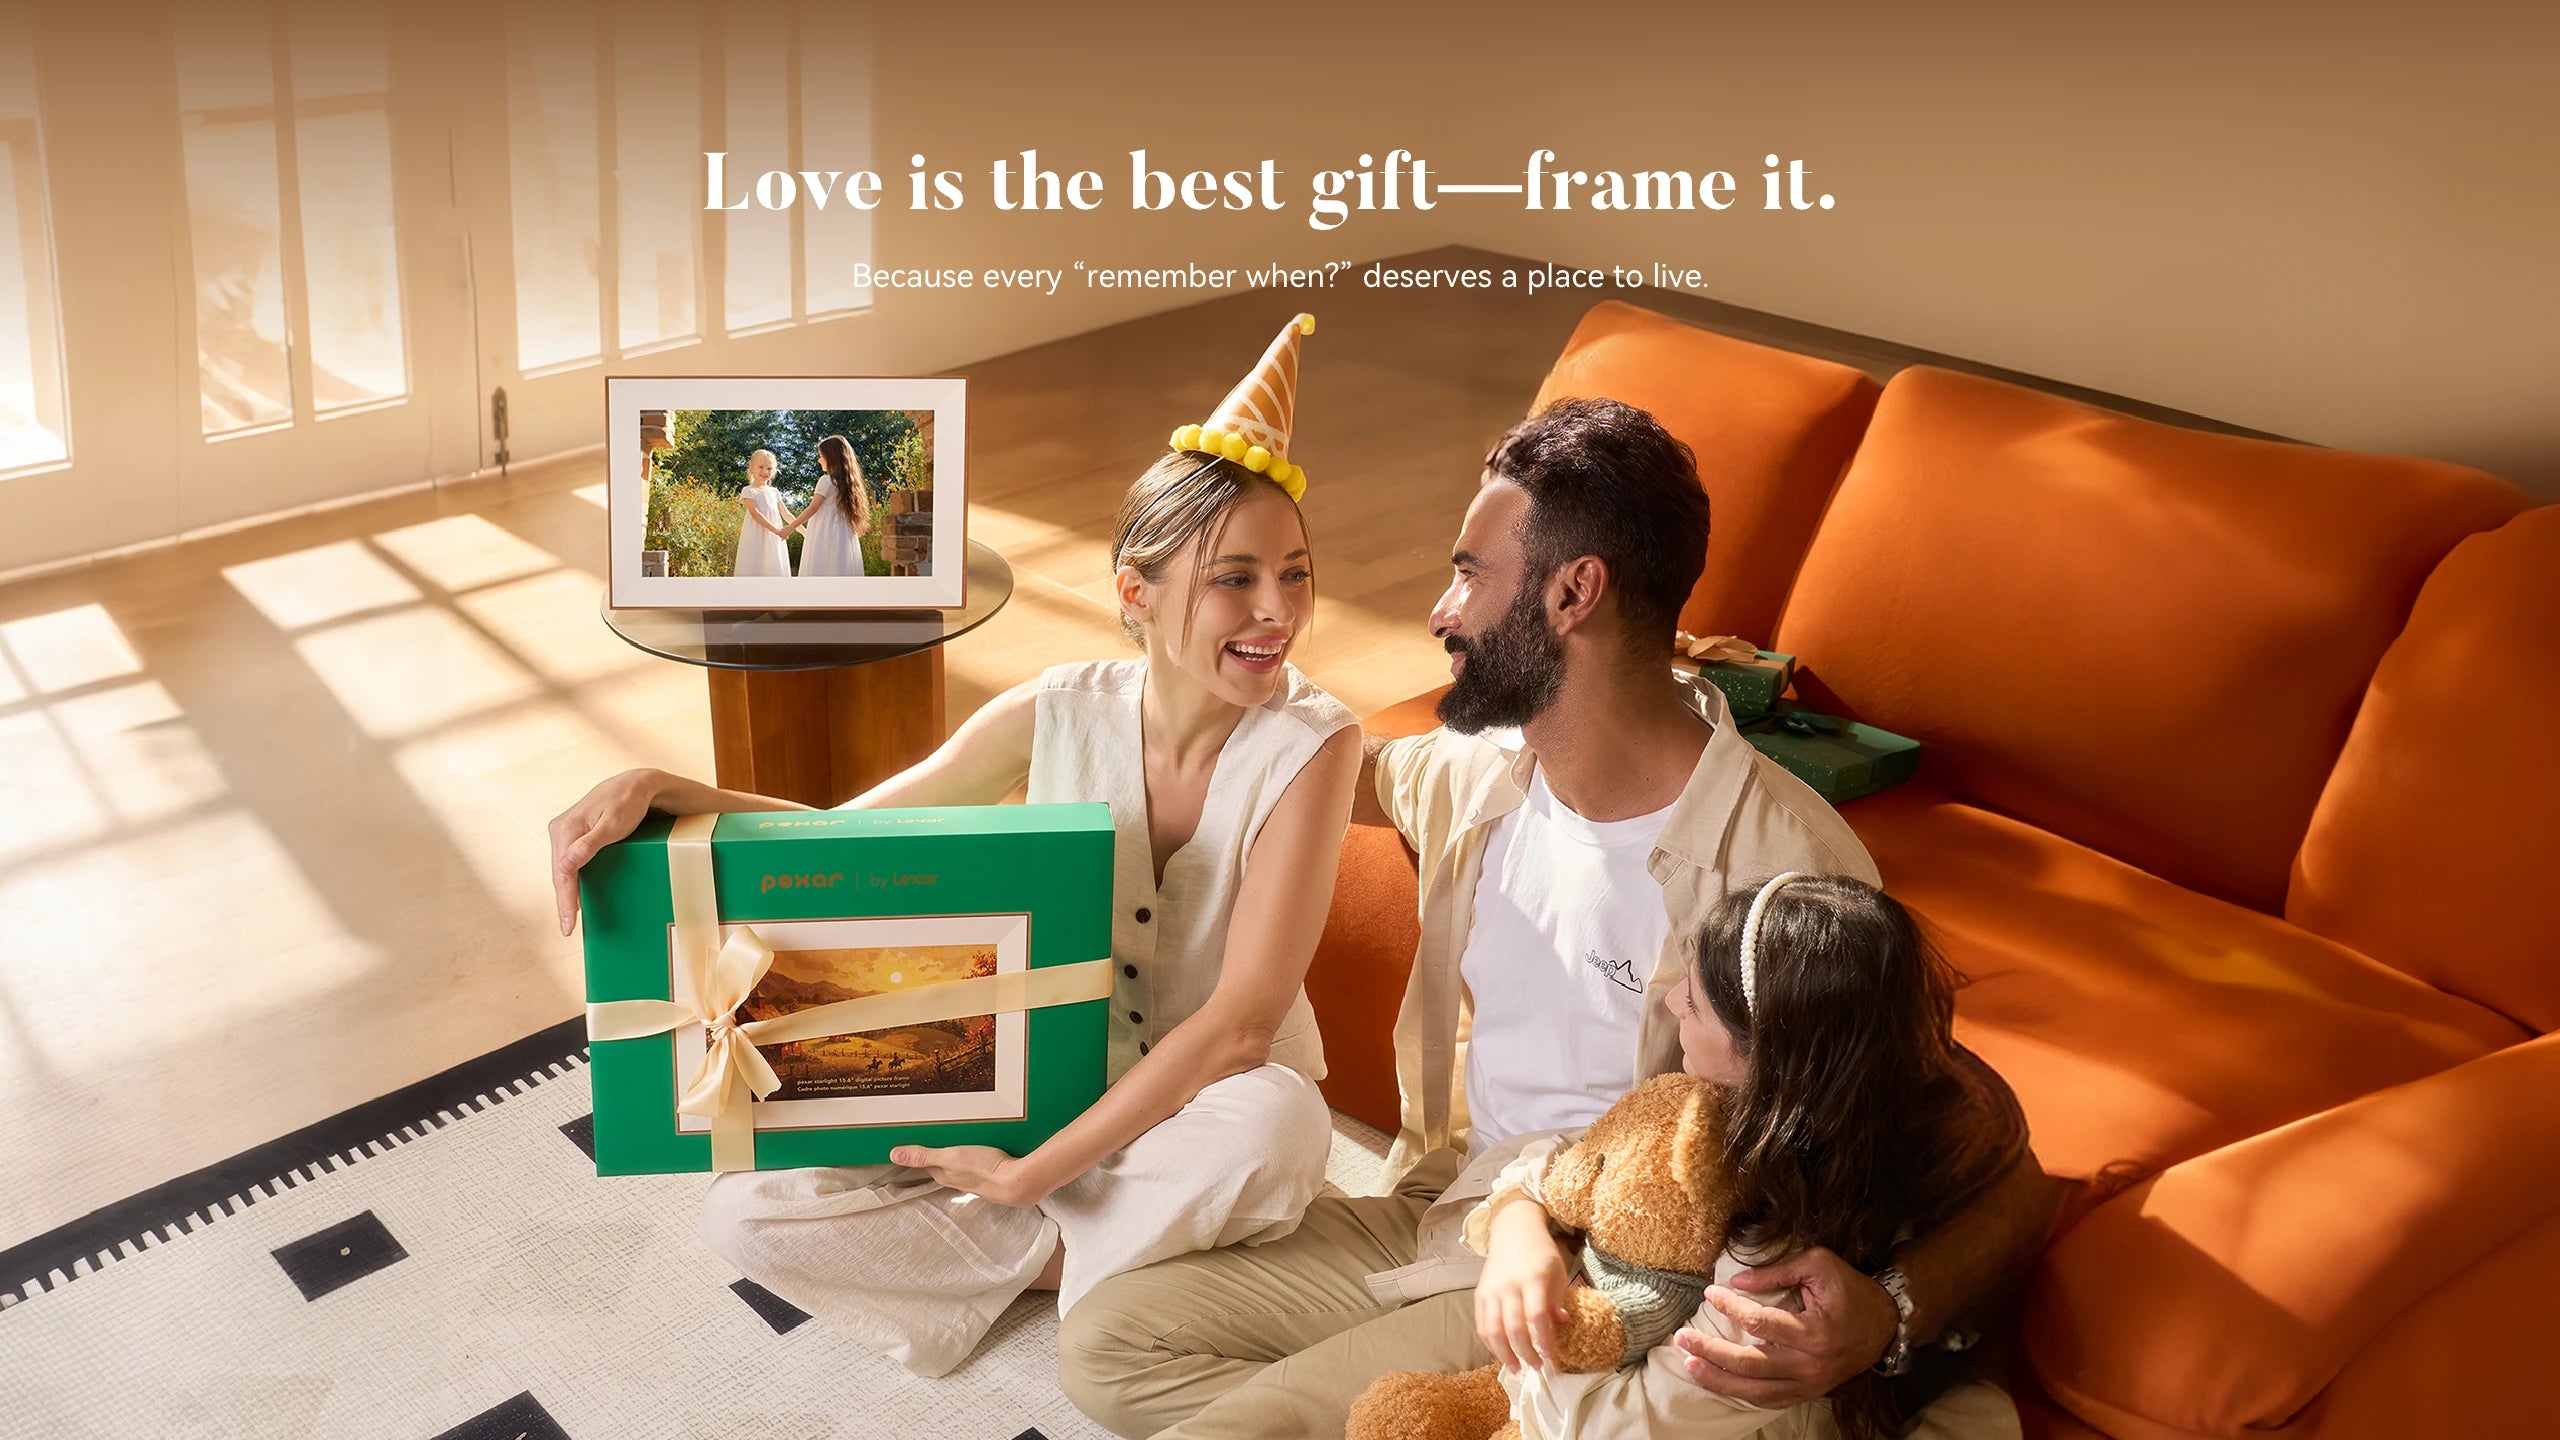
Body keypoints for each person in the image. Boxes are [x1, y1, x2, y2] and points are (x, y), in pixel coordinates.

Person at [1059, 398, 2056, 1438]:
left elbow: (2001, 1162)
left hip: (1611, 1278)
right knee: (1110, 1341)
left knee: (1257, 1423)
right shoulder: (1477, 772)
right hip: (1456, 1207)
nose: (1441, 612)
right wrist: (1193, 626)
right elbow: (1293, 767)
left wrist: (1893, 1313)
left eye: (1469, 575)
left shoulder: (1783, 866)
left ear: (1574, 592)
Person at [546, 315, 1358, 1378]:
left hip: (1206, 1106)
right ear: (1135, 593)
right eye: (1234, 579)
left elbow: (1244, 1026)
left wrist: (1028, 1178)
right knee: (744, 1214)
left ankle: (1041, 1249)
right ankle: (1100, 1257)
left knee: (1281, 1131)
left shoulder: (1314, 742)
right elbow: (854, 845)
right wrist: (664, 787)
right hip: (1026, 1088)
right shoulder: (1059, 707)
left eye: (1294, 575)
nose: (1276, 612)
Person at [1469, 873, 2031, 1439]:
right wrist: (1519, 1223)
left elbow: (1608, 1428)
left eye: (1693, 1001)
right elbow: (1581, 1158)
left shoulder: (1770, 1288)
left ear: (1760, 1052)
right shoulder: (1743, 1106)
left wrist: (1543, 1344)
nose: (1668, 1003)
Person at [791, 433, 870, 577]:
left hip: (825, 532)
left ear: (831, 457)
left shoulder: (826, 481)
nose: (819, 460)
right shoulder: (849, 484)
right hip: (843, 532)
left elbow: (812, 508)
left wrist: (789, 527)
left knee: (822, 564)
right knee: (840, 565)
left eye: (821, 455)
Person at [731, 448, 795, 578]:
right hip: (757, 536)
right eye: (761, 467)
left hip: (773, 538)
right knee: (756, 564)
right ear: (751, 468)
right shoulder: (749, 490)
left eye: (769, 468)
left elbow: (786, 514)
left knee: (773, 565)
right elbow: (755, 514)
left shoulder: (774, 492)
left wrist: (804, 532)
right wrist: (776, 530)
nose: (765, 471)